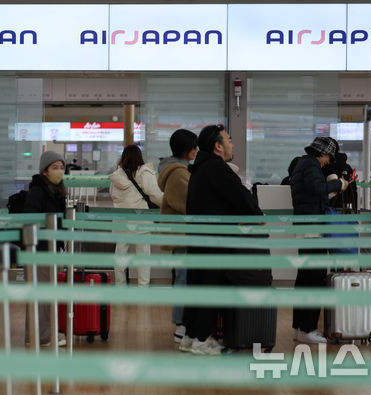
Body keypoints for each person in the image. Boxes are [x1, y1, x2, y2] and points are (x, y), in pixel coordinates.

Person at [180, 125, 268, 355]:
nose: (232, 144)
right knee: (212, 287)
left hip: (200, 239)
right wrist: (256, 217)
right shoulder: (216, 168)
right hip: (216, 241)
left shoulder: (199, 169)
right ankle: (201, 339)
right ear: (218, 146)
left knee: (198, 286)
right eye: (229, 140)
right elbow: (241, 195)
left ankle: (190, 337)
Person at [290, 136, 348, 344]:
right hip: (312, 229)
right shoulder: (311, 165)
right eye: (328, 157)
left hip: (305, 227)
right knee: (313, 279)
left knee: (305, 278)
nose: (328, 162)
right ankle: (308, 328)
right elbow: (318, 189)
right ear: (323, 153)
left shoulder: (302, 164)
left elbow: (313, 194)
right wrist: (338, 184)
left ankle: (299, 328)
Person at [22, 150, 67, 347]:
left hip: (50, 248)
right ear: (45, 171)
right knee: (40, 296)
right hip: (38, 249)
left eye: (62, 167)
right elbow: (30, 220)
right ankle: (39, 336)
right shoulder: (37, 191)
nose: (59, 171)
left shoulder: (56, 191)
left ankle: (44, 333)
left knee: (46, 295)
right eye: (55, 167)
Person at [157, 129, 197, 344]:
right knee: (185, 278)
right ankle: (181, 325)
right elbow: (187, 202)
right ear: (186, 149)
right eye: (194, 146)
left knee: (184, 277)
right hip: (184, 233)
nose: (196, 150)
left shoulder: (178, 170)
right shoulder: (178, 173)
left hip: (182, 233)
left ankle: (183, 323)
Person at [109, 145, 163, 287]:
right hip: (141, 220)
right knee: (143, 256)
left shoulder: (117, 176)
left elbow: (113, 196)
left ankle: (120, 286)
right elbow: (155, 194)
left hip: (121, 221)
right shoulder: (144, 172)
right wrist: (167, 204)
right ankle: (142, 287)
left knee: (120, 255)